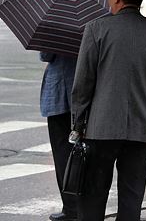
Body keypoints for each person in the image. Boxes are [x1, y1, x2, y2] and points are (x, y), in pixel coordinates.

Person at [70, 0, 146, 221]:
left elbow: (82, 84)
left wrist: (77, 124)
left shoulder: (96, 29)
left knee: (93, 195)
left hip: (101, 128)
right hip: (142, 130)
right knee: (131, 198)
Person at [40, 52, 78, 221]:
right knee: (84, 155)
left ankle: (71, 208)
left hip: (60, 93)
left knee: (62, 154)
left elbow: (46, 54)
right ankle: (83, 205)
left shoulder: (57, 28)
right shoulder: (92, 26)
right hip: (85, 93)